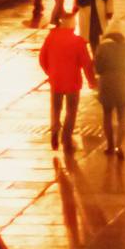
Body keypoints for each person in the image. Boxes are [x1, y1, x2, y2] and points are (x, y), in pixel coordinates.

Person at [38, 11, 96, 152]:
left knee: (56, 109)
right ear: (72, 25)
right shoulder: (77, 41)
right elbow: (86, 63)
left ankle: (54, 132)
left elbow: (42, 58)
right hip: (72, 83)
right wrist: (92, 81)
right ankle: (66, 139)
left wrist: (50, 72)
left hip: (56, 81)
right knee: (71, 111)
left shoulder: (51, 38)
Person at [94, 29, 125, 157]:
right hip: (122, 83)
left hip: (106, 83)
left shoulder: (102, 48)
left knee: (107, 115)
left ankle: (110, 145)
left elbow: (98, 68)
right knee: (122, 117)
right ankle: (119, 145)